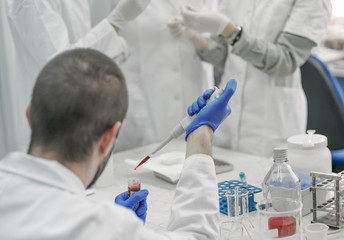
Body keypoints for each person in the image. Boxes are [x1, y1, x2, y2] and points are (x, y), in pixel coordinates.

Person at [0, 48, 237, 239]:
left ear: (30, 116)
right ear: (107, 140)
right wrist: (201, 135)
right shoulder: (103, 228)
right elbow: (197, 235)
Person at [172, 0, 332, 157]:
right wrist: (193, 36)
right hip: (227, 118)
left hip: (271, 121)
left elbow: (286, 60)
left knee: (272, 178)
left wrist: (231, 32)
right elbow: (229, 58)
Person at [3, 0, 150, 155]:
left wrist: (112, 47)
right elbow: (62, 65)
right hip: (54, 123)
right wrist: (116, 21)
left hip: (84, 113)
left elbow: (79, 43)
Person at [89, 0, 214, 151]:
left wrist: (194, 34)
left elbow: (217, 41)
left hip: (195, 99)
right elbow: (94, 44)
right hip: (142, 109)